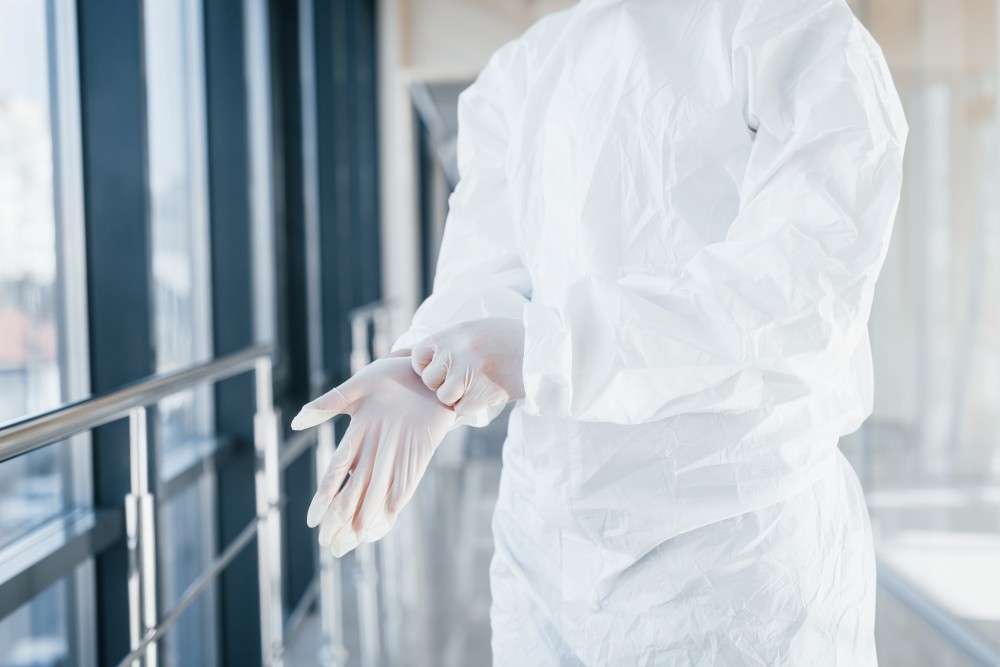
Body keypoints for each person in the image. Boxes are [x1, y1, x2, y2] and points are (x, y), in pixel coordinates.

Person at [291, 0, 908, 663]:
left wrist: (548, 350)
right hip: (546, 562)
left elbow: (792, 304)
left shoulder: (794, 30)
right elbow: (484, 265)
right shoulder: (524, 70)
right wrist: (429, 367)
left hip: (735, 574)